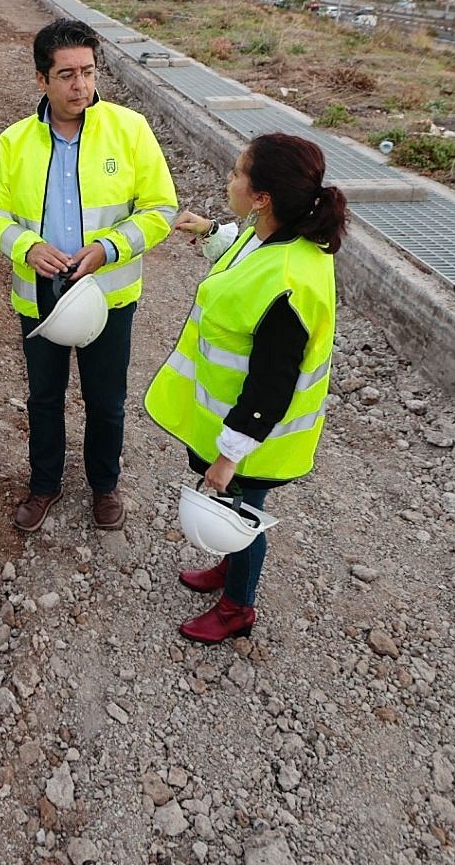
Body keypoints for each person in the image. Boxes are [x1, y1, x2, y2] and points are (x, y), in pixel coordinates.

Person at [144, 132, 349, 643]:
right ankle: (232, 571)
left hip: (255, 435)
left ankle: (239, 606)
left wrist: (229, 456)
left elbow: (269, 389)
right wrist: (211, 233)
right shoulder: (273, 233)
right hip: (234, 422)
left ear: (262, 196)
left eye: (238, 172)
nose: (229, 179)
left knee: (241, 513)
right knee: (235, 511)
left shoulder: (288, 281)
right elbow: (243, 260)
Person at [0, 17, 178, 533]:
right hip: (40, 296)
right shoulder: (15, 141)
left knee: (106, 400)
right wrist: (27, 246)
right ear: (41, 79)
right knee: (44, 399)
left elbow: (160, 209)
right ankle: (44, 485)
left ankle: (104, 487)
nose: (81, 86)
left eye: (88, 72)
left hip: (107, 296)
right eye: (66, 74)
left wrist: (109, 248)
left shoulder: (130, 130)